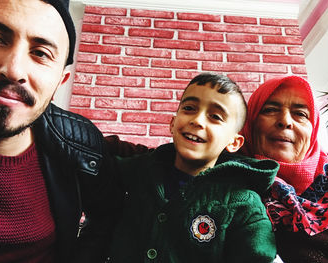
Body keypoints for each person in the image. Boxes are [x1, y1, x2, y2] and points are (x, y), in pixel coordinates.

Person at [0, 0, 146, 262]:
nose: (13, 70)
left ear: (59, 82)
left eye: (41, 53)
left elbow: (105, 217)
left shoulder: (80, 144)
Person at [104, 73, 279, 263]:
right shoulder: (139, 170)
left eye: (215, 116)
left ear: (234, 142)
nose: (197, 120)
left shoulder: (244, 204)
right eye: (189, 108)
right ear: (172, 123)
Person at [240, 75, 328, 262]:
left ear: (313, 129)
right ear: (250, 123)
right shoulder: (228, 183)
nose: (285, 121)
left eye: (300, 114)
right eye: (270, 110)